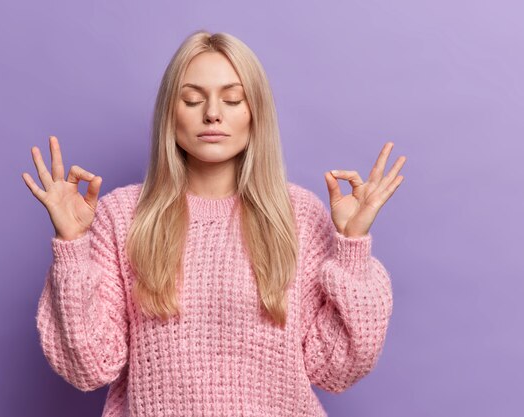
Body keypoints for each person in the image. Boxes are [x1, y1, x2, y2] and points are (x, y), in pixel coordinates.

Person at [21, 29, 405, 417]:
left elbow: (336, 369)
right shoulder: (122, 217)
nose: (212, 113)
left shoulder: (299, 216)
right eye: (192, 99)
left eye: (232, 98)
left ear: (255, 112)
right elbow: (89, 367)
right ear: (170, 113)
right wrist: (72, 247)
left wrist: (352, 246)